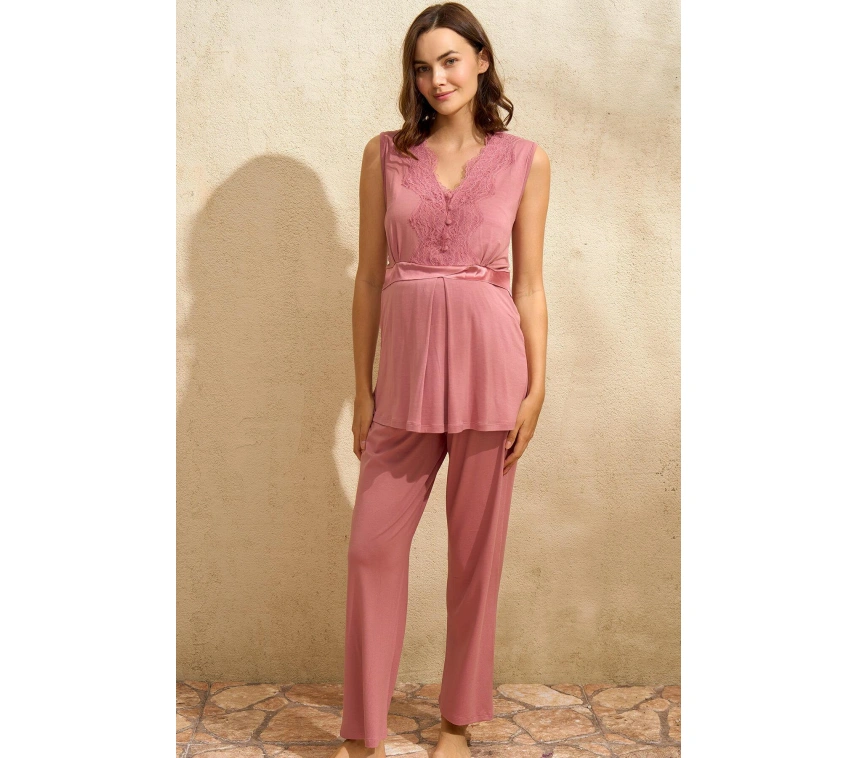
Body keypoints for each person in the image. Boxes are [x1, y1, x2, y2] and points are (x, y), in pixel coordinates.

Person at [334, 4, 550, 757]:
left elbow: (529, 284)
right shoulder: (384, 155)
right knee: (371, 549)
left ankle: (456, 722)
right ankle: (363, 732)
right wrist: (362, 391)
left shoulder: (525, 160)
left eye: (451, 60)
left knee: (474, 557)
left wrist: (537, 388)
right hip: (405, 376)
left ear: (481, 60)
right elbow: (368, 279)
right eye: (423, 67)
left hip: (495, 371)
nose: (437, 78)